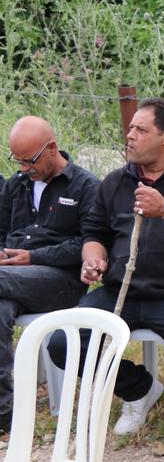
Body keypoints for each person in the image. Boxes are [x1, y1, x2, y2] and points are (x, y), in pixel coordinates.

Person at [48, 97, 164, 435]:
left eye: (141, 130)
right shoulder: (116, 182)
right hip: (119, 291)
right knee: (63, 342)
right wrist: (93, 258)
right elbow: (94, 232)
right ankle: (138, 389)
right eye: (130, 128)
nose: (130, 135)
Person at [0, 116, 99, 434]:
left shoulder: (85, 187)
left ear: (52, 148)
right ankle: (4, 415)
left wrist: (33, 257)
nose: (23, 168)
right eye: (17, 161)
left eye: (29, 161)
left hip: (60, 282)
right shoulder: (15, 185)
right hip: (10, 278)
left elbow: (88, 243)